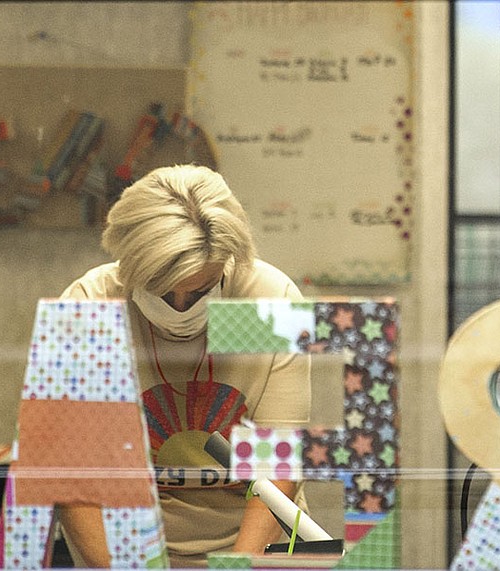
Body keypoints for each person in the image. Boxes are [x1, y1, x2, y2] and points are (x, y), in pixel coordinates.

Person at [58, 164, 311, 568]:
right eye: (159, 287)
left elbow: (278, 469)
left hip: (255, 546)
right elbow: (71, 477)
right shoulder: (91, 305)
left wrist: (236, 566)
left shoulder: (267, 302)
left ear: (227, 264)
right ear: (129, 264)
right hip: (129, 552)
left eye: (197, 292)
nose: (179, 308)